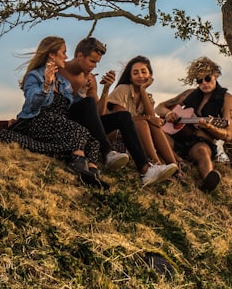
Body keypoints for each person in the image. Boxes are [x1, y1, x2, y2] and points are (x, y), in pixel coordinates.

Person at [58, 37, 177, 188]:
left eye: (97, 63)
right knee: (87, 102)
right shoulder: (59, 70)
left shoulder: (90, 79)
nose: (94, 66)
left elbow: (98, 115)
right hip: (64, 120)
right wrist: (80, 94)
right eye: (92, 61)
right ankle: (108, 152)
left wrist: (106, 89)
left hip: (87, 124)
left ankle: (146, 170)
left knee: (124, 116)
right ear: (80, 56)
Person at [0, 36, 105, 186]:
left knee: (93, 141)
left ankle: (92, 172)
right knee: (80, 132)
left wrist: (84, 91)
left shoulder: (62, 81)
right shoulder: (35, 76)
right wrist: (46, 84)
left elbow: (71, 105)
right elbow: (33, 103)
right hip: (36, 120)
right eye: (63, 52)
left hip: (57, 123)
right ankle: (77, 166)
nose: (66, 56)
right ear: (52, 54)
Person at [154, 56, 232, 193]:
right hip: (177, 138)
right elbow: (159, 107)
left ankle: (208, 180)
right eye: (199, 80)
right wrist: (168, 114)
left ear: (215, 75)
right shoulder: (189, 94)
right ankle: (178, 161)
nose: (204, 83)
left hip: (201, 143)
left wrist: (210, 126)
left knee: (202, 152)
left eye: (207, 78)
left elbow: (228, 135)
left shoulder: (227, 99)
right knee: (156, 130)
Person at [105, 55, 182, 177]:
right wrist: (146, 118)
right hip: (116, 136)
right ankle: (156, 164)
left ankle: (175, 168)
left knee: (149, 123)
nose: (140, 76)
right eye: (135, 73)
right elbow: (121, 119)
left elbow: (154, 120)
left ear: (150, 76)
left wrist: (143, 90)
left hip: (134, 141)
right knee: (142, 122)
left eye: (143, 72)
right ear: (130, 78)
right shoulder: (122, 90)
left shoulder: (148, 97)